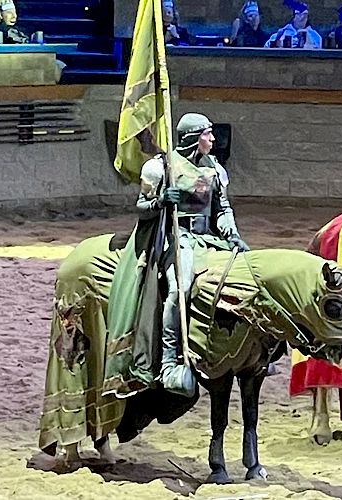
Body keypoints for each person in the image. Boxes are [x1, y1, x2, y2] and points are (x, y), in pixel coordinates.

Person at [137, 112, 249, 396]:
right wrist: (160, 201)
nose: (212, 139)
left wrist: (232, 234)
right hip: (179, 239)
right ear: (191, 139)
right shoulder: (161, 167)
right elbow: (141, 206)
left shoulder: (215, 168)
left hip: (210, 239)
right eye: (206, 134)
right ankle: (168, 361)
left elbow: (222, 208)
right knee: (180, 288)